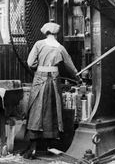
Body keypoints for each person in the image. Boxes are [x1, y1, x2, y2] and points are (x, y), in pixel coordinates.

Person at [24, 22, 78, 159]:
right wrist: (78, 77)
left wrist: (38, 67)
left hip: (40, 81)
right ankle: (49, 147)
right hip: (54, 82)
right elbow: (70, 66)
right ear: (56, 33)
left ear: (45, 32)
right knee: (51, 112)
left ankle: (33, 148)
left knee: (36, 111)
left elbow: (30, 63)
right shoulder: (60, 47)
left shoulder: (39, 44)